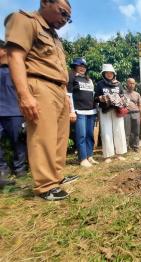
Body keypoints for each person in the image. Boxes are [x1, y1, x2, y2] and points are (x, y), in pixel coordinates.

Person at [5, 0, 78, 201]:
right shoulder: (25, 20)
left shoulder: (54, 36)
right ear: (46, 2)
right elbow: (15, 56)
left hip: (59, 88)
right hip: (39, 84)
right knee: (43, 135)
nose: (64, 20)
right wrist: (24, 95)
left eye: (68, 17)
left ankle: (56, 177)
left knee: (59, 137)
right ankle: (45, 185)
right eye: (62, 13)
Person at [0, 39, 26, 186]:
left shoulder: (18, 69)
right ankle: (2, 172)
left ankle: (20, 171)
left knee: (18, 143)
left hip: (15, 112)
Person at [68, 58, 98, 168]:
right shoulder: (72, 77)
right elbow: (69, 95)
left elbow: (93, 96)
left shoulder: (89, 80)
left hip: (91, 111)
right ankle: (83, 158)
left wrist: (97, 110)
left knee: (90, 135)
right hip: (79, 111)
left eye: (84, 66)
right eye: (80, 66)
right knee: (81, 135)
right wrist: (71, 111)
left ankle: (90, 156)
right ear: (75, 67)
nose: (82, 68)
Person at [94, 64, 127, 163]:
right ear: (104, 74)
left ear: (114, 74)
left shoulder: (118, 84)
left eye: (111, 73)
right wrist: (101, 98)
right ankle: (108, 156)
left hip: (117, 110)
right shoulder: (100, 84)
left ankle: (119, 154)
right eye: (107, 73)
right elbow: (95, 98)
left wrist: (122, 99)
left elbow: (122, 95)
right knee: (106, 132)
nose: (109, 74)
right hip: (105, 110)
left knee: (119, 130)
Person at [124, 78, 141, 152]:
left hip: (136, 113)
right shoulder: (123, 93)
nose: (132, 85)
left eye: (133, 83)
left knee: (136, 131)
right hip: (126, 114)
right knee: (127, 131)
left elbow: (140, 105)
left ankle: (136, 146)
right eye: (130, 83)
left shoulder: (137, 94)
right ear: (127, 84)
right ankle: (126, 147)